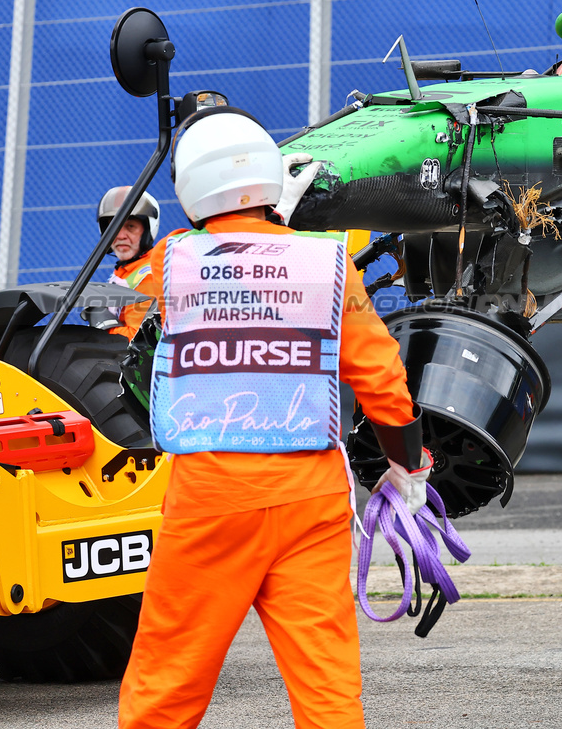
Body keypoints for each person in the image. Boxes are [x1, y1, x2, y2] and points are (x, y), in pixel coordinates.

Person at [118, 106, 433, 729]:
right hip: (310, 499)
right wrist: (408, 466)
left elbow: (141, 359)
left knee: (167, 685)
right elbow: (381, 378)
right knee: (327, 689)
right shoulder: (329, 264)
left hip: (210, 500)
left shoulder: (171, 263)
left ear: (191, 187)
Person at [97, 186, 161, 339]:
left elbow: (136, 339)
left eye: (130, 226)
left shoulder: (147, 276)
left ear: (147, 230)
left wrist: (103, 325)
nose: (120, 236)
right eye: (114, 227)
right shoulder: (128, 269)